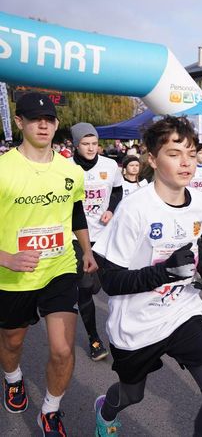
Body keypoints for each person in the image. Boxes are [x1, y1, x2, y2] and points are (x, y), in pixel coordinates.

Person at [91, 116, 202, 437]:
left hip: (183, 314)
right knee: (131, 394)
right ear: (152, 160)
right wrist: (165, 272)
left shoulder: (201, 203)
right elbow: (110, 282)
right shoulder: (135, 209)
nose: (186, 162)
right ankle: (107, 409)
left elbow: (198, 245)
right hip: (136, 325)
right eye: (173, 153)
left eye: (191, 152)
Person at [0, 93, 97, 435]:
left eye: (49, 119)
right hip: (13, 275)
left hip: (59, 267)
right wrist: (7, 258)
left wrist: (86, 250)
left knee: (61, 348)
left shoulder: (69, 170)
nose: (43, 124)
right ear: (19, 122)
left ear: (56, 125)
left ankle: (50, 411)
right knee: (12, 342)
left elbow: (75, 212)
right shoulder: (3, 169)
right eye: (33, 118)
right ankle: (13, 378)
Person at [71, 122, 124, 361]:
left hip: (104, 235)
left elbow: (117, 191)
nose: (91, 148)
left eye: (94, 143)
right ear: (76, 144)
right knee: (85, 289)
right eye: (86, 144)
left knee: (102, 285)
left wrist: (111, 210)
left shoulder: (110, 165)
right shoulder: (66, 167)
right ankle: (94, 338)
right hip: (76, 237)